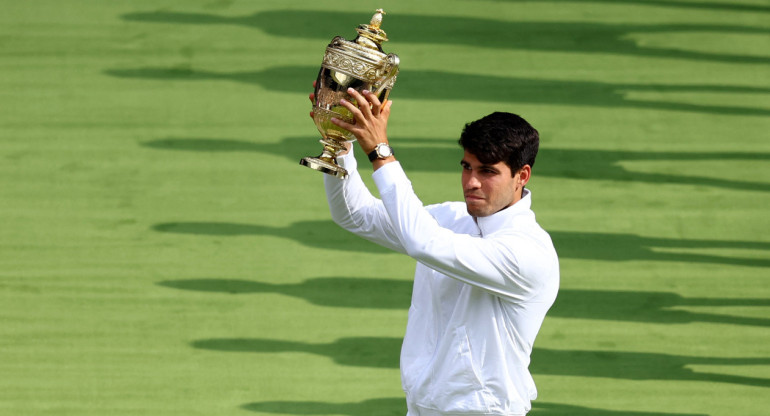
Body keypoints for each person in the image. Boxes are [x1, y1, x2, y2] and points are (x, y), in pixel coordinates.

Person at [312, 86, 560, 416]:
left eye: (487, 172)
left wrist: (380, 152)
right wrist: (340, 141)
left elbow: (423, 242)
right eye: (467, 167)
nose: (471, 182)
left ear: (521, 176)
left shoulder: (527, 253)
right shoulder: (450, 218)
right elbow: (353, 214)